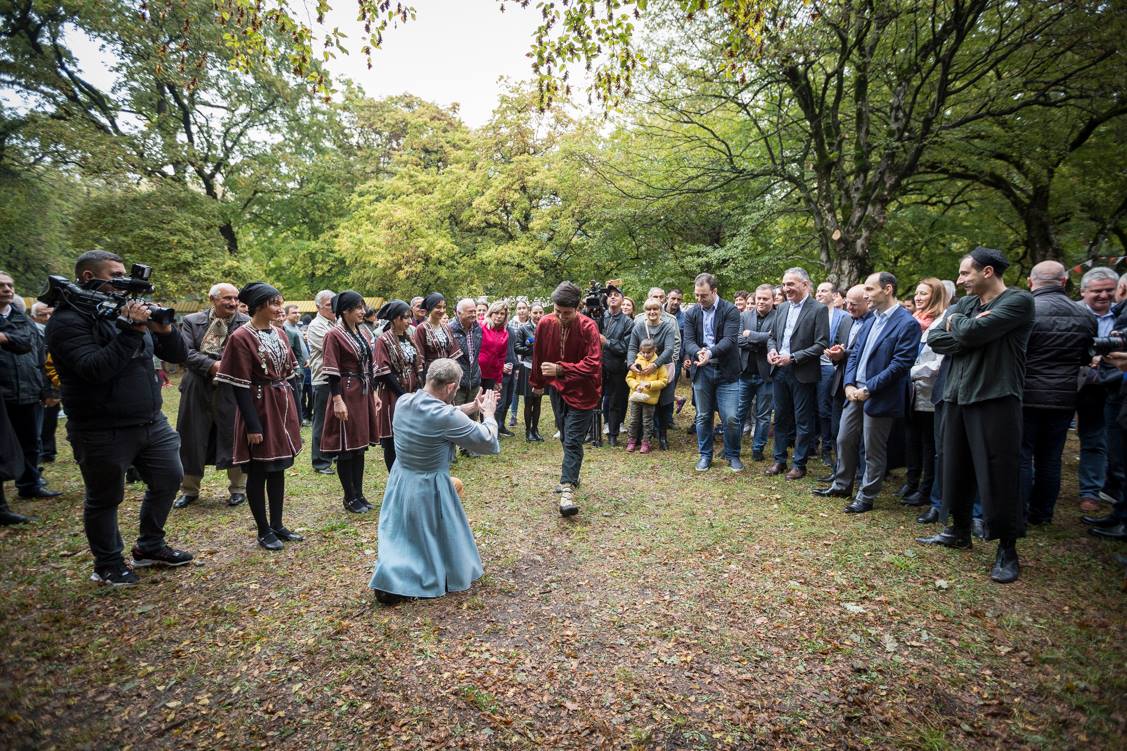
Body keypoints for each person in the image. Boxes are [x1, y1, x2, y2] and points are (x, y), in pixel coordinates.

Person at [46, 250, 193, 585]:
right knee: (105, 497)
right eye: (115, 275)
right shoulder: (67, 321)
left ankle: (149, 546)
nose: (124, 281)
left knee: (169, 477)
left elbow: (178, 356)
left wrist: (165, 330)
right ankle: (108, 563)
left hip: (150, 420)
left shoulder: (125, 311)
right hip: (100, 427)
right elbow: (93, 370)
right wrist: (130, 330)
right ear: (88, 276)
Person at [918, 248, 1035, 584]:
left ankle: (1007, 549)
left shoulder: (1019, 301)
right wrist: (969, 331)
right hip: (956, 395)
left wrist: (963, 329)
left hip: (995, 397)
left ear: (987, 272)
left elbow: (968, 334)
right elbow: (935, 337)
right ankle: (958, 530)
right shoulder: (968, 304)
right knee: (954, 465)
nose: (959, 280)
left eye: (965, 273)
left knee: (999, 472)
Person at [368, 359, 500, 604]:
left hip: (401, 479)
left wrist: (472, 406)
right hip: (430, 485)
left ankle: (393, 573)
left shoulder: (404, 401)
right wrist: (489, 414)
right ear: (450, 387)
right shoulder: (445, 417)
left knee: (402, 535)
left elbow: (443, 414)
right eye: (456, 388)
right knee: (429, 535)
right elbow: (488, 442)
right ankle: (408, 579)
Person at [813, 272, 920, 513]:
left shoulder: (907, 323)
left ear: (888, 289)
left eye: (870, 290)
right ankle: (842, 485)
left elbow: (901, 365)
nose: (866, 295)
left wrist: (868, 388)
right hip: (854, 393)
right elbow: (854, 355)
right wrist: (849, 384)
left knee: (873, 449)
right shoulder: (871, 320)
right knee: (844, 439)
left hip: (880, 395)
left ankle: (866, 496)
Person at [216, 282, 304, 550]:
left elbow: (289, 374)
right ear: (258, 306)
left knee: (278, 468)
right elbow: (239, 385)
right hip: (259, 407)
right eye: (274, 304)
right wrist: (252, 425)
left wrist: (295, 412)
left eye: (280, 303)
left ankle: (277, 524)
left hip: (280, 406)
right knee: (258, 471)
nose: (279, 308)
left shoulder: (280, 333)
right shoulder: (241, 337)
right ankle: (263, 530)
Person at [1020, 261, 1096, 525]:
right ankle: (1042, 514)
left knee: (1022, 454)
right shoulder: (1084, 314)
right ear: (1064, 282)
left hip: (1027, 394)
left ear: (1030, 282)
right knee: (1051, 457)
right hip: (1064, 397)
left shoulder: (1026, 310)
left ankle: (1020, 510)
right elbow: (1087, 357)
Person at [173, 283, 250, 509]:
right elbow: (184, 352)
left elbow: (248, 353)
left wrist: (225, 366)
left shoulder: (246, 323)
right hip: (197, 386)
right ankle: (189, 490)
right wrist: (211, 365)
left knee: (234, 435)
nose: (233, 303)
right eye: (227, 298)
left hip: (231, 387)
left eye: (235, 298)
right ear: (212, 299)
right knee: (191, 437)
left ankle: (238, 489)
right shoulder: (191, 321)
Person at [530, 282, 603, 516]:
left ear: (578, 307)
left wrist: (561, 369)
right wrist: (537, 383)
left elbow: (593, 364)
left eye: (567, 313)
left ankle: (567, 490)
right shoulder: (545, 323)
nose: (561, 316)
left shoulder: (588, 327)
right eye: (557, 311)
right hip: (557, 389)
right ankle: (573, 475)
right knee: (565, 435)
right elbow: (538, 355)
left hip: (584, 391)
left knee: (572, 439)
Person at [320, 291, 381, 514]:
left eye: (363, 307)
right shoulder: (333, 335)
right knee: (347, 448)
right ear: (345, 310)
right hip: (345, 393)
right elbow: (331, 371)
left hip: (362, 393)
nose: (362, 311)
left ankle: (359, 493)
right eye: (358, 307)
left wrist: (374, 393)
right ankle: (349, 496)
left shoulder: (361, 332)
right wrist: (337, 400)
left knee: (359, 447)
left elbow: (369, 366)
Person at [0, 271, 59, 500]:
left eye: (10, 285)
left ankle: (30, 484)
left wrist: (46, 389)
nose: (7, 289)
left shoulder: (22, 318)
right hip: (3, 393)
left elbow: (34, 351)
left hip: (27, 389)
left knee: (31, 441)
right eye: (2, 285)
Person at [766, 268, 829, 480]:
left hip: (802, 372)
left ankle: (799, 464)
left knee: (803, 419)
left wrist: (793, 357)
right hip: (779, 370)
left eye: (791, 284)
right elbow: (772, 337)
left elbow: (821, 344)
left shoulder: (818, 309)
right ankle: (779, 460)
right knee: (780, 417)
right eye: (784, 284)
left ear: (805, 284)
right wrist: (771, 351)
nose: (786, 288)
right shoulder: (782, 307)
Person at [683, 273, 742, 472]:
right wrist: (697, 352)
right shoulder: (691, 313)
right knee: (703, 416)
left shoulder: (730, 310)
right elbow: (688, 340)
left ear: (714, 291)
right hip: (702, 371)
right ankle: (705, 455)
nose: (699, 299)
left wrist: (709, 352)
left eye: (704, 295)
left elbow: (729, 340)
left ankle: (732, 455)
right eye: (697, 295)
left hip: (727, 371)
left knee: (731, 417)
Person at [1076, 267, 1122, 513]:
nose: (1103, 295)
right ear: (1083, 291)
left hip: (1105, 386)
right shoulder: (1072, 312)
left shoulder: (1121, 315)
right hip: (1070, 383)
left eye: (1108, 290)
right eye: (1097, 291)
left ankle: (1091, 491)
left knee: (1095, 438)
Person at [902, 282, 950, 507]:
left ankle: (926, 489)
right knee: (912, 440)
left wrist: (908, 373)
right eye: (916, 293)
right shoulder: (913, 320)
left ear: (936, 296)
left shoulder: (943, 322)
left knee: (928, 444)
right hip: (911, 393)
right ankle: (911, 482)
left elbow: (938, 363)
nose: (918, 297)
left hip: (930, 393)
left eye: (924, 293)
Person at [372, 299, 423, 472]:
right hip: (393, 395)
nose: (409, 321)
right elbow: (384, 372)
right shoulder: (383, 340)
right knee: (392, 439)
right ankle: (394, 476)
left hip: (411, 392)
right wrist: (402, 394)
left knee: (410, 435)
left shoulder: (409, 338)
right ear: (394, 319)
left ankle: (408, 472)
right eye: (405, 317)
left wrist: (417, 391)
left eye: (410, 317)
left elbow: (417, 365)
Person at [628, 298, 681, 451]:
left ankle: (662, 436)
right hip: (642, 370)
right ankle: (640, 437)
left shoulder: (668, 327)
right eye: (649, 309)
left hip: (662, 368)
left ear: (660, 311)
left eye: (655, 309)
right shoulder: (638, 327)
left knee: (664, 403)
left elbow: (669, 349)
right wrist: (631, 364)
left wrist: (655, 364)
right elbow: (632, 347)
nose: (652, 312)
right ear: (645, 311)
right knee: (640, 403)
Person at [737, 284, 777, 462]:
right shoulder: (744, 316)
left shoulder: (778, 317)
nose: (761, 301)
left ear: (773, 300)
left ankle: (758, 448)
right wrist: (762, 340)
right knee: (739, 412)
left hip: (766, 375)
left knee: (763, 415)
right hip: (745, 373)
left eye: (765, 299)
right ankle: (733, 447)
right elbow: (738, 340)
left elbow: (775, 339)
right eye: (759, 298)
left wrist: (750, 335)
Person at [814, 281, 848, 466]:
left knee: (824, 408)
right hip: (808, 365)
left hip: (829, 367)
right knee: (808, 408)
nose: (819, 294)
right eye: (818, 291)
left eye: (824, 290)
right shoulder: (810, 312)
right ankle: (811, 444)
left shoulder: (843, 317)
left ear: (834, 295)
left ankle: (826, 449)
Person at [306, 289, 337, 475]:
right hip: (323, 379)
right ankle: (320, 461)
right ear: (318, 307)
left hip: (338, 379)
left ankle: (335, 453)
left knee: (336, 419)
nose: (333, 308)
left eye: (334, 304)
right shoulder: (316, 326)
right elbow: (334, 348)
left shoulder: (336, 322)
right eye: (328, 305)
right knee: (322, 421)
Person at [601, 284, 633, 447]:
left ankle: (613, 434)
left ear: (622, 299)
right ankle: (591, 432)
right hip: (597, 366)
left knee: (615, 401)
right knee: (593, 400)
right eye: (610, 295)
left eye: (616, 294)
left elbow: (626, 347)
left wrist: (607, 342)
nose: (612, 297)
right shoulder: (599, 317)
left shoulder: (628, 322)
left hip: (616, 367)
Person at [624, 338, 668, 453]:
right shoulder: (637, 361)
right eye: (643, 352)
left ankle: (646, 442)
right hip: (636, 397)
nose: (645, 355)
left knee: (647, 421)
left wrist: (651, 385)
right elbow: (629, 378)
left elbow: (664, 381)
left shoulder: (658, 364)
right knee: (634, 420)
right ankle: (631, 441)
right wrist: (635, 386)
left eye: (648, 352)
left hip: (650, 399)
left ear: (654, 350)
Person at [479, 300, 516, 436]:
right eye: (496, 313)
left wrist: (498, 380)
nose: (499, 316)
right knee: (474, 403)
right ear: (491, 313)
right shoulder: (481, 326)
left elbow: (501, 358)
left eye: (502, 314)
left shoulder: (504, 333)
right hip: (477, 372)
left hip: (491, 375)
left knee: (488, 404)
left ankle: (487, 433)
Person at [413, 292, 463, 380]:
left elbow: (454, 352)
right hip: (431, 375)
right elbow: (419, 357)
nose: (442, 310)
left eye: (444, 307)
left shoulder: (446, 328)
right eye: (438, 307)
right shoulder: (421, 329)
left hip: (447, 373)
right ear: (430, 307)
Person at [515, 302, 544, 441]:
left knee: (538, 400)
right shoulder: (523, 329)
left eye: (540, 312)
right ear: (530, 313)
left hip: (542, 368)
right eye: (535, 312)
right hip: (528, 367)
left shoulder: (547, 327)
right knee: (528, 400)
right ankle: (528, 431)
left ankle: (535, 429)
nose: (538, 315)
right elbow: (517, 347)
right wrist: (533, 349)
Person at [450, 298, 484, 407]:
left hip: (474, 382)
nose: (474, 314)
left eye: (474, 311)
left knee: (473, 413)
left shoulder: (478, 328)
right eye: (470, 312)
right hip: (457, 384)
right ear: (459, 313)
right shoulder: (450, 330)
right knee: (457, 414)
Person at [506, 298, 532, 427]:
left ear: (528, 310)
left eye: (524, 308)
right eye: (519, 308)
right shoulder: (511, 324)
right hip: (516, 360)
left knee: (528, 390)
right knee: (515, 389)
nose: (522, 311)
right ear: (516, 310)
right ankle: (513, 415)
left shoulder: (532, 324)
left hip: (529, 360)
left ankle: (529, 415)